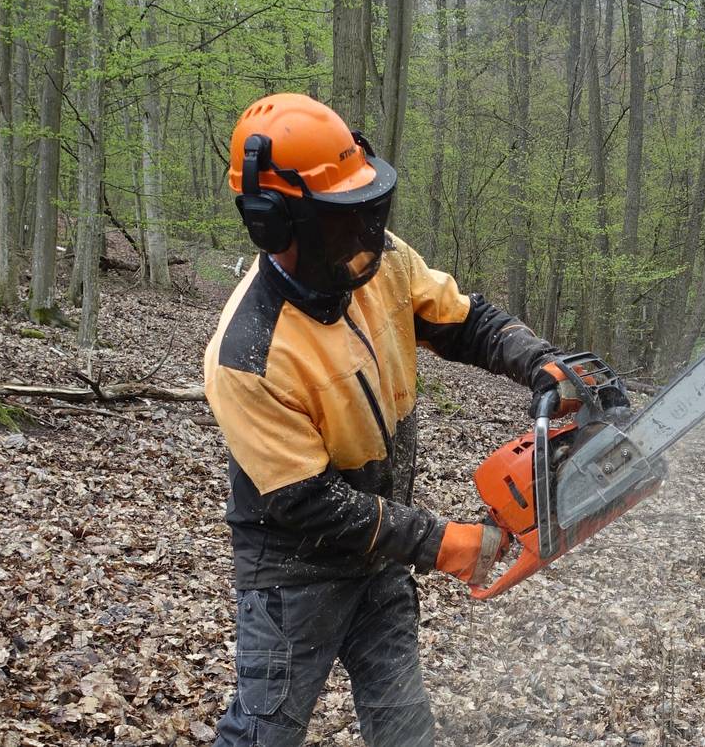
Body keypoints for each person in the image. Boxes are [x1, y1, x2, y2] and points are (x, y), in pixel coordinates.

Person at [204, 93, 572, 746]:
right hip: (295, 572)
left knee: (405, 727)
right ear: (274, 224)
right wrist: (440, 541)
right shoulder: (248, 355)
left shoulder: (377, 261)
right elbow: (308, 502)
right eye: (338, 220)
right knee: (264, 732)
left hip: (381, 554)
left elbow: (463, 322)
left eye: (364, 213)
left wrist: (542, 362)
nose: (361, 238)